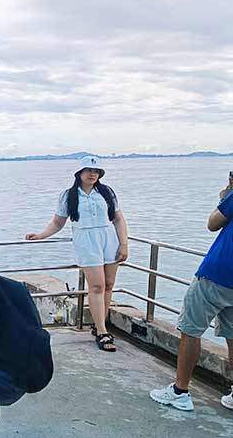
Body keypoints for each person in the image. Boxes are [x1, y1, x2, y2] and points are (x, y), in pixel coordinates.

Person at [26, 156, 129, 352]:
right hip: (86, 241)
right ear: (79, 173)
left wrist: (124, 244)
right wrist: (41, 235)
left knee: (108, 285)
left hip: (109, 238)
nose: (93, 174)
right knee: (96, 285)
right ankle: (101, 331)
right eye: (89, 170)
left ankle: (101, 324)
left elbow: (118, 218)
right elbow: (58, 222)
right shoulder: (69, 196)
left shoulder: (106, 192)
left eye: (96, 171)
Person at [150, 183, 233, 412]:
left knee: (191, 330)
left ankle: (180, 391)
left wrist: (226, 196)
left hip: (217, 273)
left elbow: (212, 223)